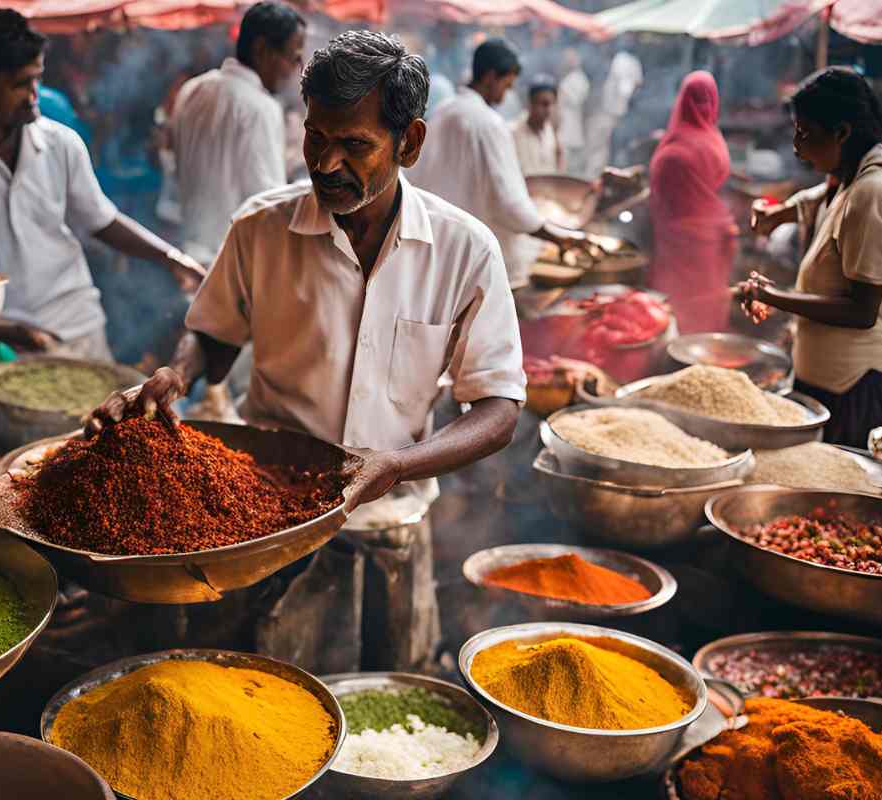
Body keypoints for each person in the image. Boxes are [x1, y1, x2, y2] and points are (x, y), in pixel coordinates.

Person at [64, 32, 524, 671]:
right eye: (315, 137)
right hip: (260, 519)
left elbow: (499, 408)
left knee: (386, 691)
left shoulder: (464, 250)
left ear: (410, 143)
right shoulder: (261, 227)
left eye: (354, 145)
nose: (327, 163)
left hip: (390, 519)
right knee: (255, 686)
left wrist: (395, 464)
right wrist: (178, 372)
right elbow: (214, 336)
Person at [0, 10, 205, 360]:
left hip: (74, 329)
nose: (33, 96)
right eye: (19, 84)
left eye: (37, 80)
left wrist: (172, 259)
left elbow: (100, 220)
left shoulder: (62, 144)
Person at [741, 67, 882, 448]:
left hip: (860, 390)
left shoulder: (874, 193)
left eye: (805, 133)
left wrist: (772, 297)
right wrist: (780, 213)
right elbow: (825, 196)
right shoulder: (855, 174)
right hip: (834, 382)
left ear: (842, 133)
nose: (796, 146)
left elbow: (861, 311)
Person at [411, 39, 594, 290]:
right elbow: (510, 203)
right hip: (473, 260)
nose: (505, 95)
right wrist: (557, 236)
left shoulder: (443, 111)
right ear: (490, 77)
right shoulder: (489, 123)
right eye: (506, 85)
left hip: (435, 251)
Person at [169, 2, 305, 264]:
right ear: (262, 50)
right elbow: (268, 204)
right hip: (232, 263)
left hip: (188, 253)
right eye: (293, 57)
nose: (296, 69)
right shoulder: (260, 108)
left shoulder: (192, 89)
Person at [647, 71, 736, 334]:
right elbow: (717, 183)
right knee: (705, 301)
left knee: (674, 304)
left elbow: (660, 192)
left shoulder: (672, 143)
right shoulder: (716, 143)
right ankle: (704, 345)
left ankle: (672, 347)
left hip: (674, 240)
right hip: (709, 240)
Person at [584, 49, 643, 178]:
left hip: (611, 115)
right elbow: (625, 89)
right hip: (608, 115)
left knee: (601, 153)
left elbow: (626, 88)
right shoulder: (623, 61)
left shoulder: (624, 61)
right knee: (599, 154)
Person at [512, 76, 563, 176]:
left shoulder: (551, 131)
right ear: (531, 103)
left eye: (552, 104)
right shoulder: (513, 132)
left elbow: (557, 169)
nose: (549, 110)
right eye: (544, 104)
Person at [557, 48, 590, 178]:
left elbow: (577, 99)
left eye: (571, 58)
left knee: (570, 164)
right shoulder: (568, 77)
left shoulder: (580, 79)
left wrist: (563, 93)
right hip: (564, 123)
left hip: (571, 123)